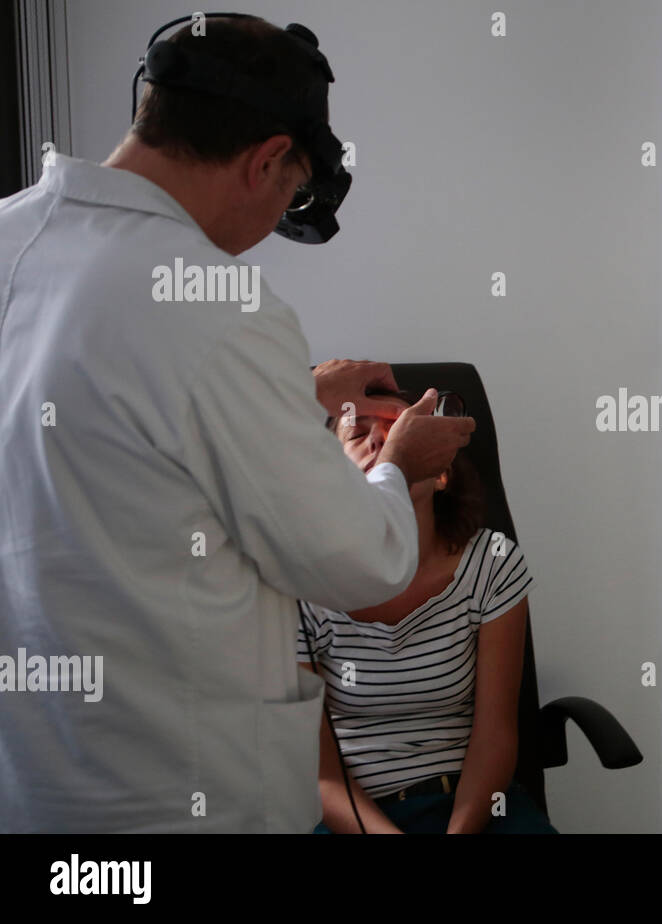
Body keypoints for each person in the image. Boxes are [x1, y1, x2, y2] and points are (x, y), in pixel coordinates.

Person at [0, 15, 473, 832]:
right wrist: (399, 462)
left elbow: (100, 415)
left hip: (39, 790)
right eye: (291, 192)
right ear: (266, 160)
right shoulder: (220, 310)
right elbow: (357, 563)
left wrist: (287, 390)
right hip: (175, 797)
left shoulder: (13, 239)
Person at [300, 388, 555, 833]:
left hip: (474, 807)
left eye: (400, 433)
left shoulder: (492, 564)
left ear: (441, 474)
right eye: (358, 434)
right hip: (357, 819)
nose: (383, 445)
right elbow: (319, 772)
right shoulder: (297, 588)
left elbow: (495, 735)